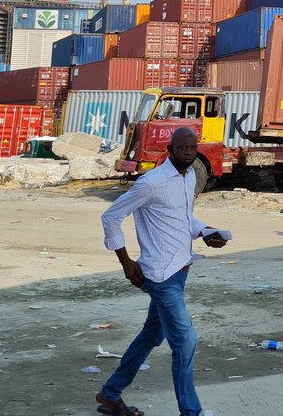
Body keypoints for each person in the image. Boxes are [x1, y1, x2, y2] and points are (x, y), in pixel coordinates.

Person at [98, 127, 229, 416]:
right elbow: (111, 216)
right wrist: (126, 262)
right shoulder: (151, 182)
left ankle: (110, 393)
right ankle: (190, 412)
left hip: (181, 268)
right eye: (182, 148)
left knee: (150, 336)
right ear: (169, 149)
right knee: (185, 341)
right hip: (159, 275)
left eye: (192, 148)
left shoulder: (191, 176)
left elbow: (182, 218)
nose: (187, 152)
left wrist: (205, 231)